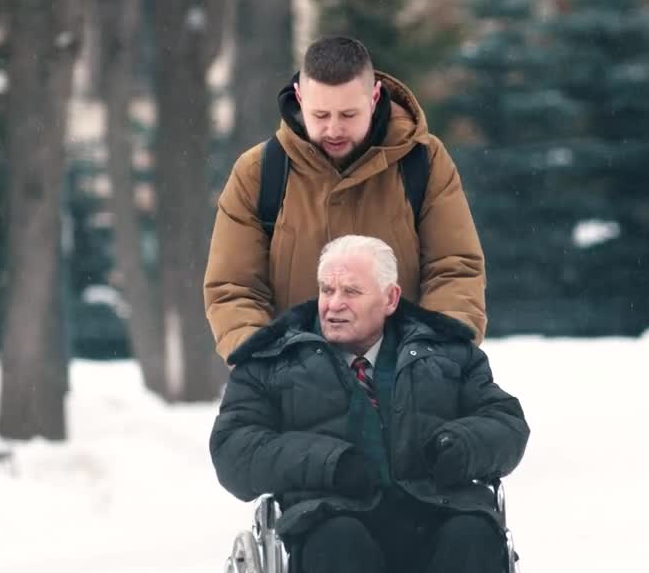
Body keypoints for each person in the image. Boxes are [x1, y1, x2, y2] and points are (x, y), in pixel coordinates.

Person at [210, 235, 529, 573]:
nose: (333, 304)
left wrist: (460, 446)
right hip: (336, 536)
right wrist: (329, 463)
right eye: (326, 289)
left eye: (351, 291)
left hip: (431, 527)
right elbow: (234, 450)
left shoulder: (449, 353)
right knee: (340, 542)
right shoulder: (271, 362)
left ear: (391, 298)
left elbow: (506, 423)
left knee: (474, 533)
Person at [203, 35, 486, 363]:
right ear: (299, 98)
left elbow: (454, 269)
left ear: (374, 96)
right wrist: (272, 363)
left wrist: (436, 356)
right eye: (320, 115)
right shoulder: (258, 173)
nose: (334, 129)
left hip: (406, 384)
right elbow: (233, 288)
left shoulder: (424, 161)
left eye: (348, 115)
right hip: (292, 392)